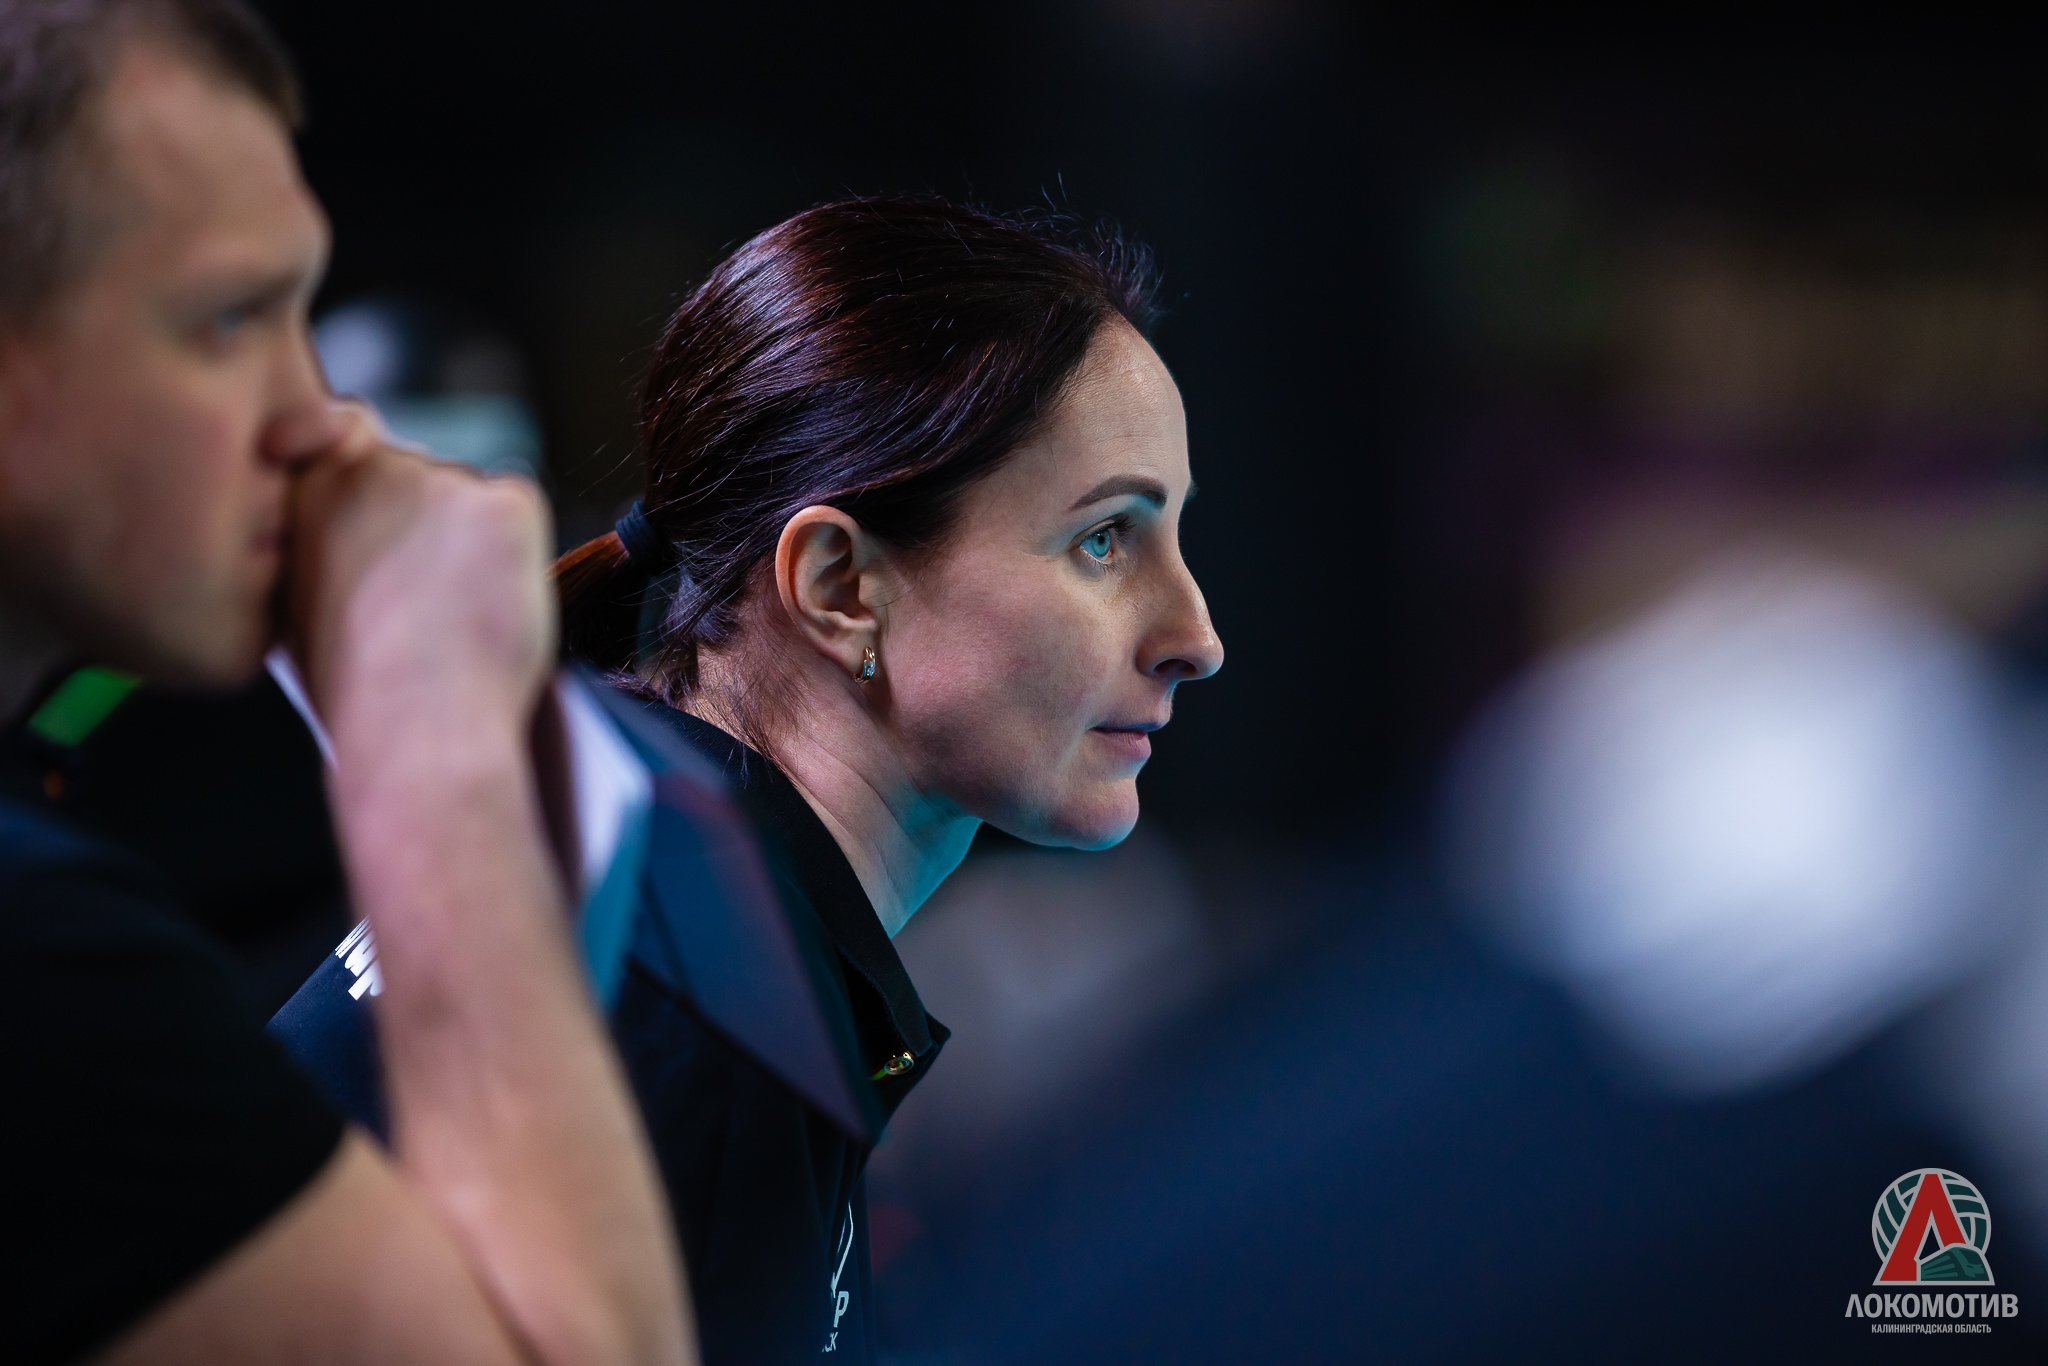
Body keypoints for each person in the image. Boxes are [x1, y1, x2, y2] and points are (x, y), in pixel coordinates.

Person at [0, 2, 694, 1361]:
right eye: (228, 318)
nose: (318, 418)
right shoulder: (34, 952)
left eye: (298, 312)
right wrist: (430, 736)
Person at [557, 195, 1226, 1359]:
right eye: (1102, 540)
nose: (1194, 636)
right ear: (839, 586)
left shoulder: (669, 898)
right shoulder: (701, 1006)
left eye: (1171, 535)